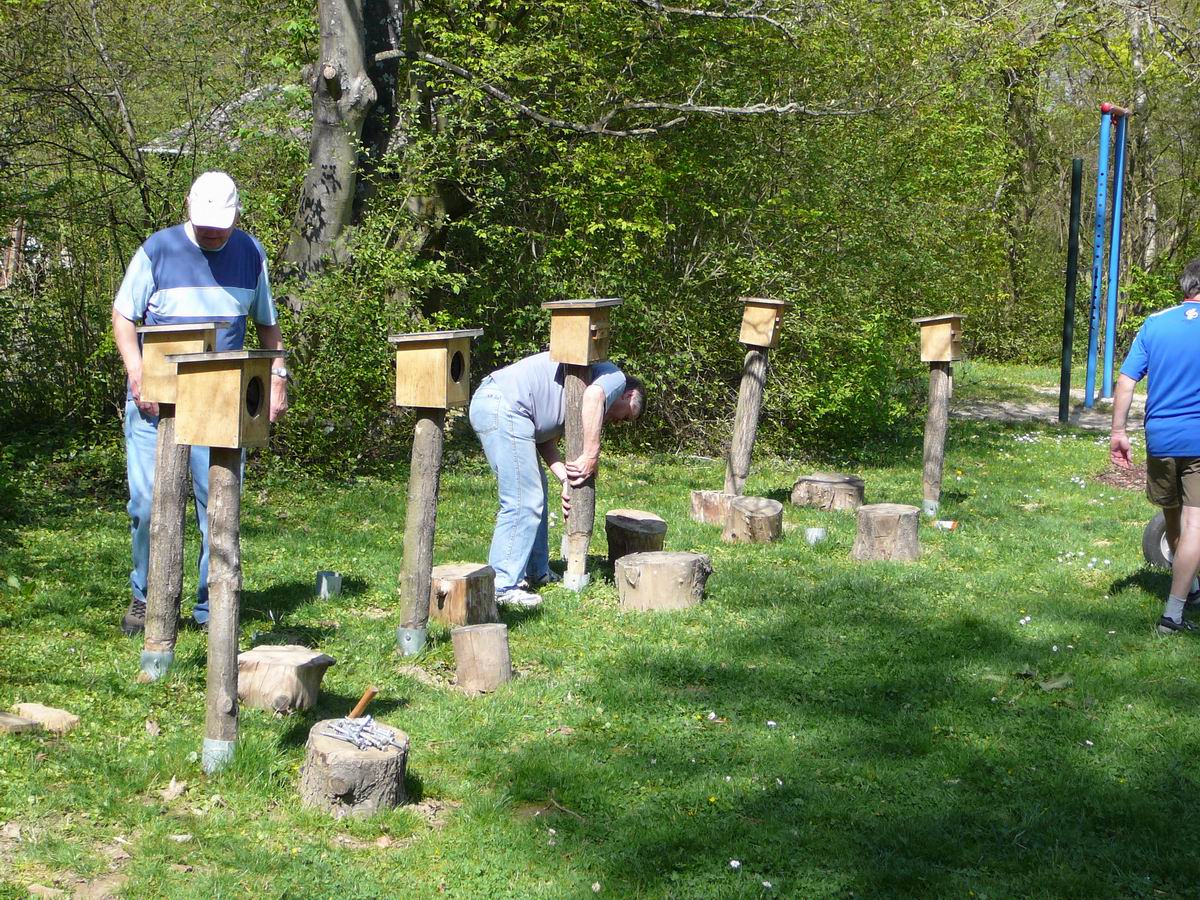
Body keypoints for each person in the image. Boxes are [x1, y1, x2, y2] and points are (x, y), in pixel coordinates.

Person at [112, 172, 288, 634]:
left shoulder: (250, 254)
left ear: (236, 215)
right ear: (188, 206)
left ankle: (213, 605)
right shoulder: (158, 250)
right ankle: (147, 597)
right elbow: (124, 316)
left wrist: (278, 376)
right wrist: (136, 371)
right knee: (148, 504)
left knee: (219, 507)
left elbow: (267, 325)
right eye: (205, 222)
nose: (212, 232)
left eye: (221, 224)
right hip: (155, 405)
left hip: (220, 405)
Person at [469, 351, 645, 607]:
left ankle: (536, 571)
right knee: (523, 500)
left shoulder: (576, 389)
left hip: (506, 408)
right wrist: (591, 454)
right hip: (504, 404)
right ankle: (502, 586)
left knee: (535, 493)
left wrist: (565, 480)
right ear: (628, 395)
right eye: (626, 416)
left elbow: (545, 441)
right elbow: (594, 396)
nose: (619, 422)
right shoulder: (614, 377)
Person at [1111, 257, 1200, 635]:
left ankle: (1191, 589)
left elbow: (1126, 380)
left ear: (1186, 286)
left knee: (1173, 515)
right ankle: (1172, 616)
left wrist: (1118, 432)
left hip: (1160, 437)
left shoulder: (1154, 323)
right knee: (1196, 524)